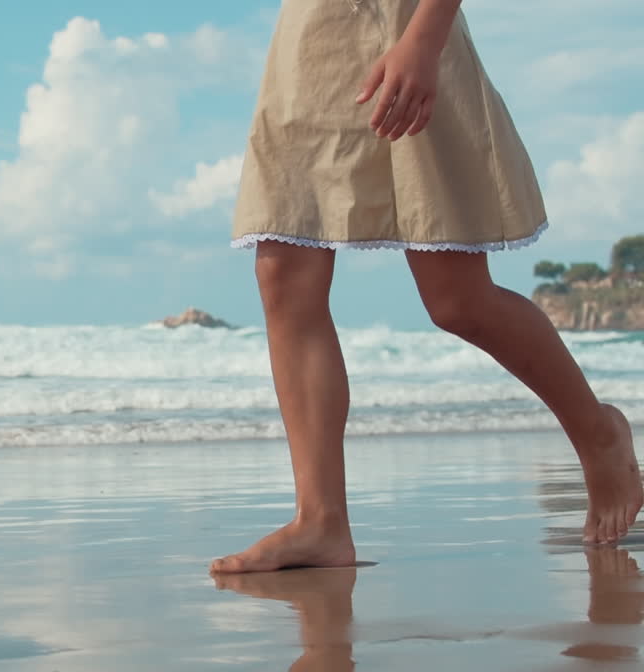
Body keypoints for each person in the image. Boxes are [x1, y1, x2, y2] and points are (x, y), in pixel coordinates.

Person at [210, 0, 642, 574]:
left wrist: (423, 40)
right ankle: (319, 521)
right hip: (310, 36)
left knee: (456, 300)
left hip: (405, 26)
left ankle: (599, 433)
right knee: (282, 271)